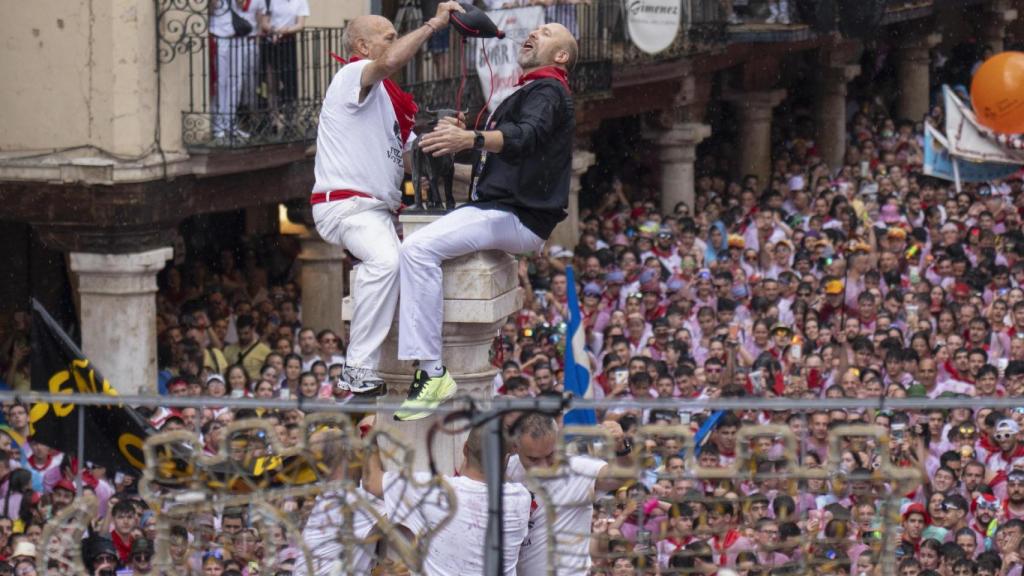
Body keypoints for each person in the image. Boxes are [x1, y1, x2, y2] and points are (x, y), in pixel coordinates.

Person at [396, 22, 579, 420]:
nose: (533, 33)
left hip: (515, 214)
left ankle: (430, 372)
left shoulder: (548, 88)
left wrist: (472, 138)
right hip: (507, 212)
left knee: (417, 249)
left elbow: (523, 137)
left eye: (546, 33)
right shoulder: (534, 90)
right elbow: (503, 150)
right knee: (420, 246)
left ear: (561, 56)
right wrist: (461, 139)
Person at [310, 1, 465, 397]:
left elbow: (419, 162)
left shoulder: (388, 106)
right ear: (363, 47)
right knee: (386, 260)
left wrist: (458, 139)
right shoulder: (349, 75)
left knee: (408, 263)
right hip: (345, 204)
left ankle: (410, 361)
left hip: (376, 210)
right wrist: (433, 25)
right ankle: (357, 369)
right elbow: (391, 62)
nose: (397, 43)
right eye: (389, 37)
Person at [363, 423, 532, 576]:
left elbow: (372, 482)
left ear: (465, 449)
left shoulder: (437, 492)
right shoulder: (521, 499)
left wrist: (369, 434)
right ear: (505, 459)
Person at [505, 413, 631, 575]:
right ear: (516, 447)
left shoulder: (578, 469)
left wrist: (621, 447)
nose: (544, 467)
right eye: (534, 459)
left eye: (550, 455)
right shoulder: (506, 469)